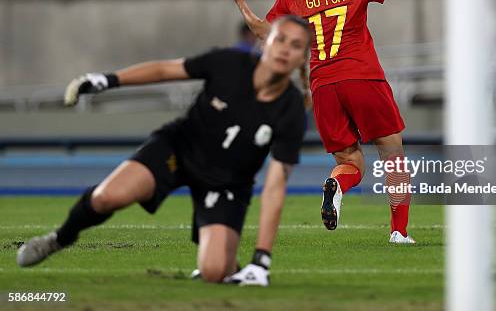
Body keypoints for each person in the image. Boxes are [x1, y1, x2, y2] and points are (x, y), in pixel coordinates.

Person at [16, 15, 311, 287]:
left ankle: (224, 256)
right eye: (280, 39)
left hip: (226, 183)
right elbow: (163, 70)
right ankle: (57, 239)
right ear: (265, 41)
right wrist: (108, 80)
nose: (285, 49)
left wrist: (262, 259)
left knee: (214, 272)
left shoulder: (291, 109)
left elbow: (275, 185)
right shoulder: (228, 63)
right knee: (107, 197)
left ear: (302, 58)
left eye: (296, 45)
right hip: (178, 150)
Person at [230, 0, 435, 244]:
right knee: (392, 154)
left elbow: (264, 33)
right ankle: (398, 231)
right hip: (362, 76)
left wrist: (242, 6)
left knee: (349, 161)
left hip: (323, 84)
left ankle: (337, 185)